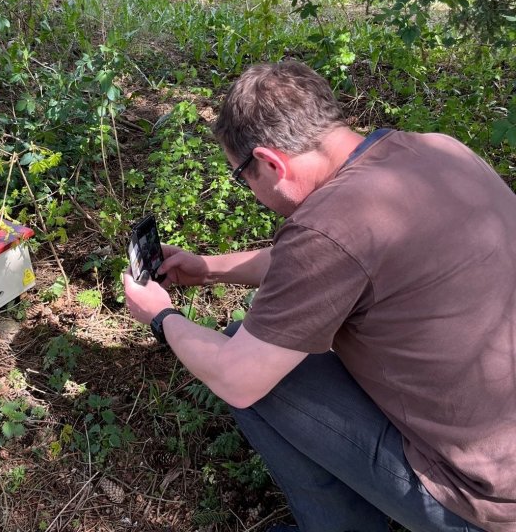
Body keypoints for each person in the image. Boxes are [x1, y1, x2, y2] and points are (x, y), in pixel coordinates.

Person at [123, 60, 516, 532]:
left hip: (480, 500)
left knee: (250, 364)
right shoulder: (438, 151)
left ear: (270, 162)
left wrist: (162, 317)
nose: (249, 190)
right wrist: (208, 269)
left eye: (242, 176)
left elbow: (238, 378)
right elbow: (328, 259)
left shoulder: (330, 227)